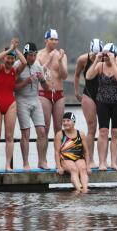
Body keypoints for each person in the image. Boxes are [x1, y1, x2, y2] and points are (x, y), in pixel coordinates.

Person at [85, 43, 117, 171]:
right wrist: (97, 59)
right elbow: (88, 76)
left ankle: (113, 162)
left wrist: (113, 62)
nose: (106, 57)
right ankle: (102, 162)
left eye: (109, 54)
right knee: (103, 131)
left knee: (116, 132)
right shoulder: (100, 65)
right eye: (105, 54)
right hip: (102, 101)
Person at [36, 29, 68, 167]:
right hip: (44, 93)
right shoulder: (39, 55)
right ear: (46, 40)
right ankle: (42, 161)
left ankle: (60, 160)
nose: (54, 42)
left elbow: (65, 76)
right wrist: (48, 59)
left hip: (59, 93)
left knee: (59, 129)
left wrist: (60, 61)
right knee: (44, 129)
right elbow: (38, 72)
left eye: (56, 40)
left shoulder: (61, 54)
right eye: (52, 39)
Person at [15, 42, 49, 170]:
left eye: (35, 55)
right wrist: (26, 82)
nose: (33, 58)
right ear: (25, 54)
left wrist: (42, 79)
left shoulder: (38, 66)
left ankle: (41, 161)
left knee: (42, 131)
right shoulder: (18, 65)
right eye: (30, 55)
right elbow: (12, 88)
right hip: (21, 100)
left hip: (35, 100)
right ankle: (25, 163)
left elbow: (46, 88)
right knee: (26, 133)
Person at [0, 39, 26, 170]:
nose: (10, 61)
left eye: (12, 59)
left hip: (10, 104)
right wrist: (8, 50)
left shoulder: (15, 71)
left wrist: (15, 49)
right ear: (4, 58)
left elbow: (24, 62)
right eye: (8, 58)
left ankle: (8, 164)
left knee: (9, 136)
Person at [74, 39, 103, 168]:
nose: (96, 56)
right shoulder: (82, 59)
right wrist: (76, 92)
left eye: (98, 54)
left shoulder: (105, 58)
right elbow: (76, 75)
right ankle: (89, 159)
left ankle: (103, 160)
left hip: (103, 95)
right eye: (93, 54)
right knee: (91, 128)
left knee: (103, 129)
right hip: (89, 95)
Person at [54, 112, 91, 193]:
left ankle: (85, 189)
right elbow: (57, 152)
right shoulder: (60, 134)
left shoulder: (80, 134)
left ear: (73, 122)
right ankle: (78, 189)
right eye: (63, 121)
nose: (65, 123)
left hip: (79, 158)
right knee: (74, 169)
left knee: (83, 169)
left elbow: (86, 151)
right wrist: (58, 166)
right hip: (65, 158)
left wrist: (88, 166)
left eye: (68, 120)